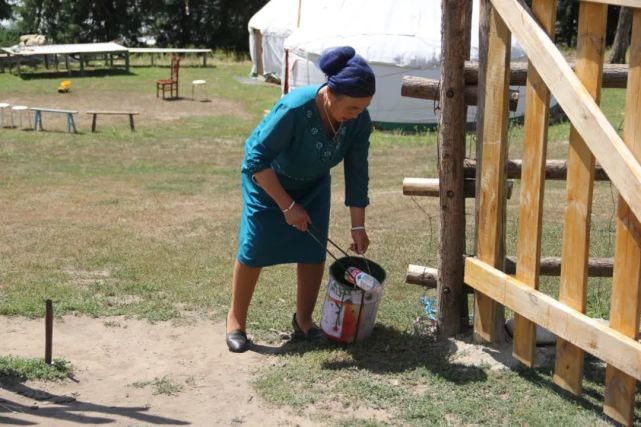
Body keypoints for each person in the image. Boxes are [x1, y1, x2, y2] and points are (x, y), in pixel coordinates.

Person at [226, 46, 376, 353]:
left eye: (362, 109)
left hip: (313, 184)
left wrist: (358, 228)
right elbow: (255, 160)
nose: (356, 115)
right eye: (352, 108)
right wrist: (287, 206)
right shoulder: (295, 109)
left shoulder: (357, 121)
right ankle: (236, 321)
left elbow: (357, 173)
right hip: (267, 180)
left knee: (312, 250)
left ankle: (304, 321)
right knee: (256, 248)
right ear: (330, 94)